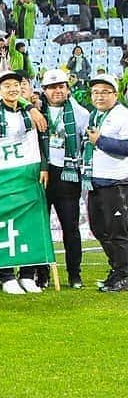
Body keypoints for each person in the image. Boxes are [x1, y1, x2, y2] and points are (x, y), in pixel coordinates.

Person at [0, 70, 48, 295]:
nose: (12, 89)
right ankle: (7, 274)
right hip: (2, 177)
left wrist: (45, 167)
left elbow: (41, 141)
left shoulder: (30, 113)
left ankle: (28, 275)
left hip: (28, 175)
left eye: (16, 85)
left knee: (28, 223)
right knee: (5, 224)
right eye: (6, 85)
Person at [35, 68, 90, 289]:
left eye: (61, 86)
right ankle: (42, 273)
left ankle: (74, 274)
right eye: (51, 87)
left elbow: (86, 143)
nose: (57, 91)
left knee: (71, 227)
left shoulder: (80, 113)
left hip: (68, 174)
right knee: (40, 227)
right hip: (43, 173)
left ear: (68, 88)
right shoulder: (36, 112)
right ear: (44, 91)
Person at [82, 75, 128, 292]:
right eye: (95, 92)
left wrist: (100, 140)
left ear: (115, 94)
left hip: (116, 182)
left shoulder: (122, 115)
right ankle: (117, 270)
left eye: (104, 92)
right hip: (95, 182)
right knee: (99, 229)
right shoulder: (94, 115)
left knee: (118, 232)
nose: (99, 96)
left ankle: (124, 275)